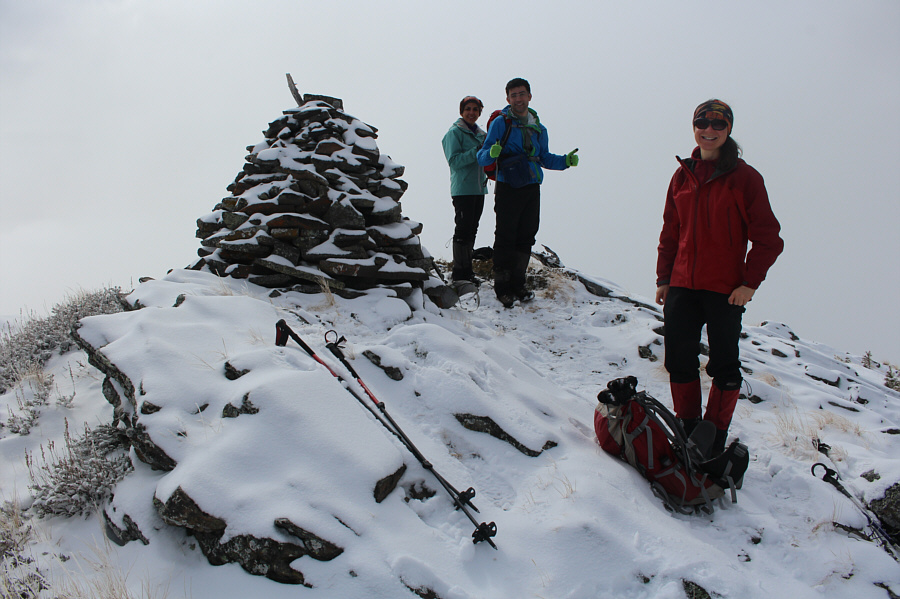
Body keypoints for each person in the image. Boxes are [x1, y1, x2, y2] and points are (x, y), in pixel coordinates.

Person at [655, 99, 783, 455]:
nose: (709, 131)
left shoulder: (744, 178)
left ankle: (713, 438)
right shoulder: (683, 174)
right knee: (678, 358)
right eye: (702, 124)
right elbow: (671, 229)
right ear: (694, 127)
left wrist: (749, 283)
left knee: (724, 364)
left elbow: (769, 237)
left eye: (718, 125)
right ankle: (687, 429)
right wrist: (664, 276)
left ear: (728, 130)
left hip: (725, 289)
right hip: (682, 284)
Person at [476, 78, 578, 308]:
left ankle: (518, 285)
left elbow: (544, 158)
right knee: (505, 235)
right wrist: (492, 153)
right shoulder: (501, 123)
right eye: (513, 95)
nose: (518, 99)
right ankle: (502, 287)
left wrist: (565, 162)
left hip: (531, 186)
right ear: (507, 99)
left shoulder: (539, 129)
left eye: (522, 94)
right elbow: (482, 157)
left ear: (529, 96)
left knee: (527, 234)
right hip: (508, 185)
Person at [442, 95, 487, 285]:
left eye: (475, 110)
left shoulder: (482, 135)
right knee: (463, 230)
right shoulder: (454, 133)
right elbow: (454, 162)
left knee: (472, 230)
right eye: (468, 109)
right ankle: (459, 274)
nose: (471, 112)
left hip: (479, 189)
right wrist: (477, 150)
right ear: (462, 111)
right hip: (462, 189)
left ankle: (467, 272)